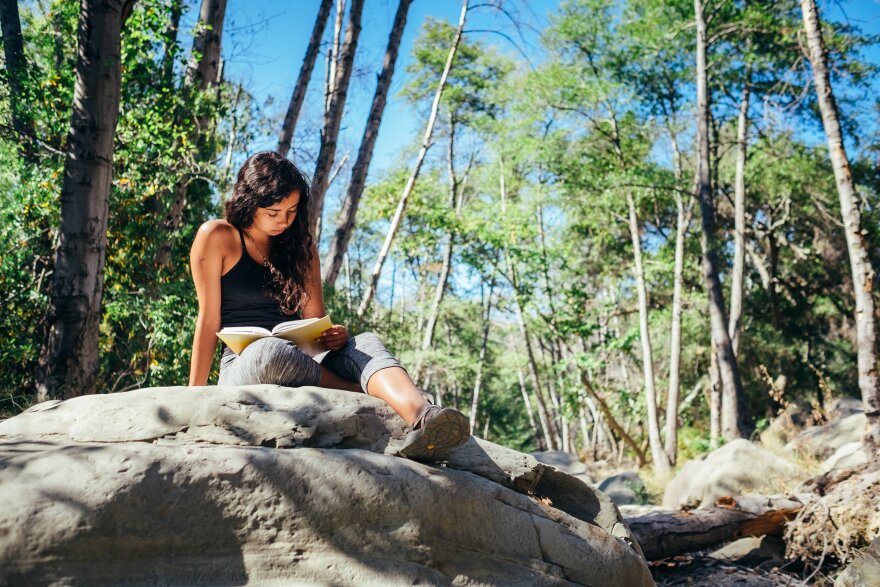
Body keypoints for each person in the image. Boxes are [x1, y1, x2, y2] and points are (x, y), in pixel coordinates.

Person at [187, 151, 470, 461]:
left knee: (366, 341)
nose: (284, 221)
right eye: (274, 212)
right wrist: (192, 398)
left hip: (303, 358)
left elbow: (315, 321)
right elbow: (209, 320)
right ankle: (364, 392)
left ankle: (424, 416)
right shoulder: (216, 236)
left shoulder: (300, 249)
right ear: (249, 202)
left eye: (292, 211)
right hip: (246, 363)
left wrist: (333, 335)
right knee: (270, 351)